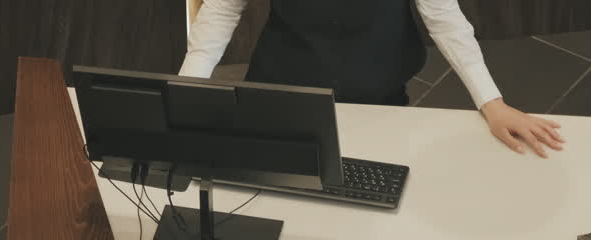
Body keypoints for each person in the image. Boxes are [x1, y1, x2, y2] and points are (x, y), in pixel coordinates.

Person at [180, 0, 564, 157]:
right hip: (281, 91)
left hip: (378, 96)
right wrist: (187, 91)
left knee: (377, 196)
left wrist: (491, 102)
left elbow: (445, 20)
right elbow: (221, 10)